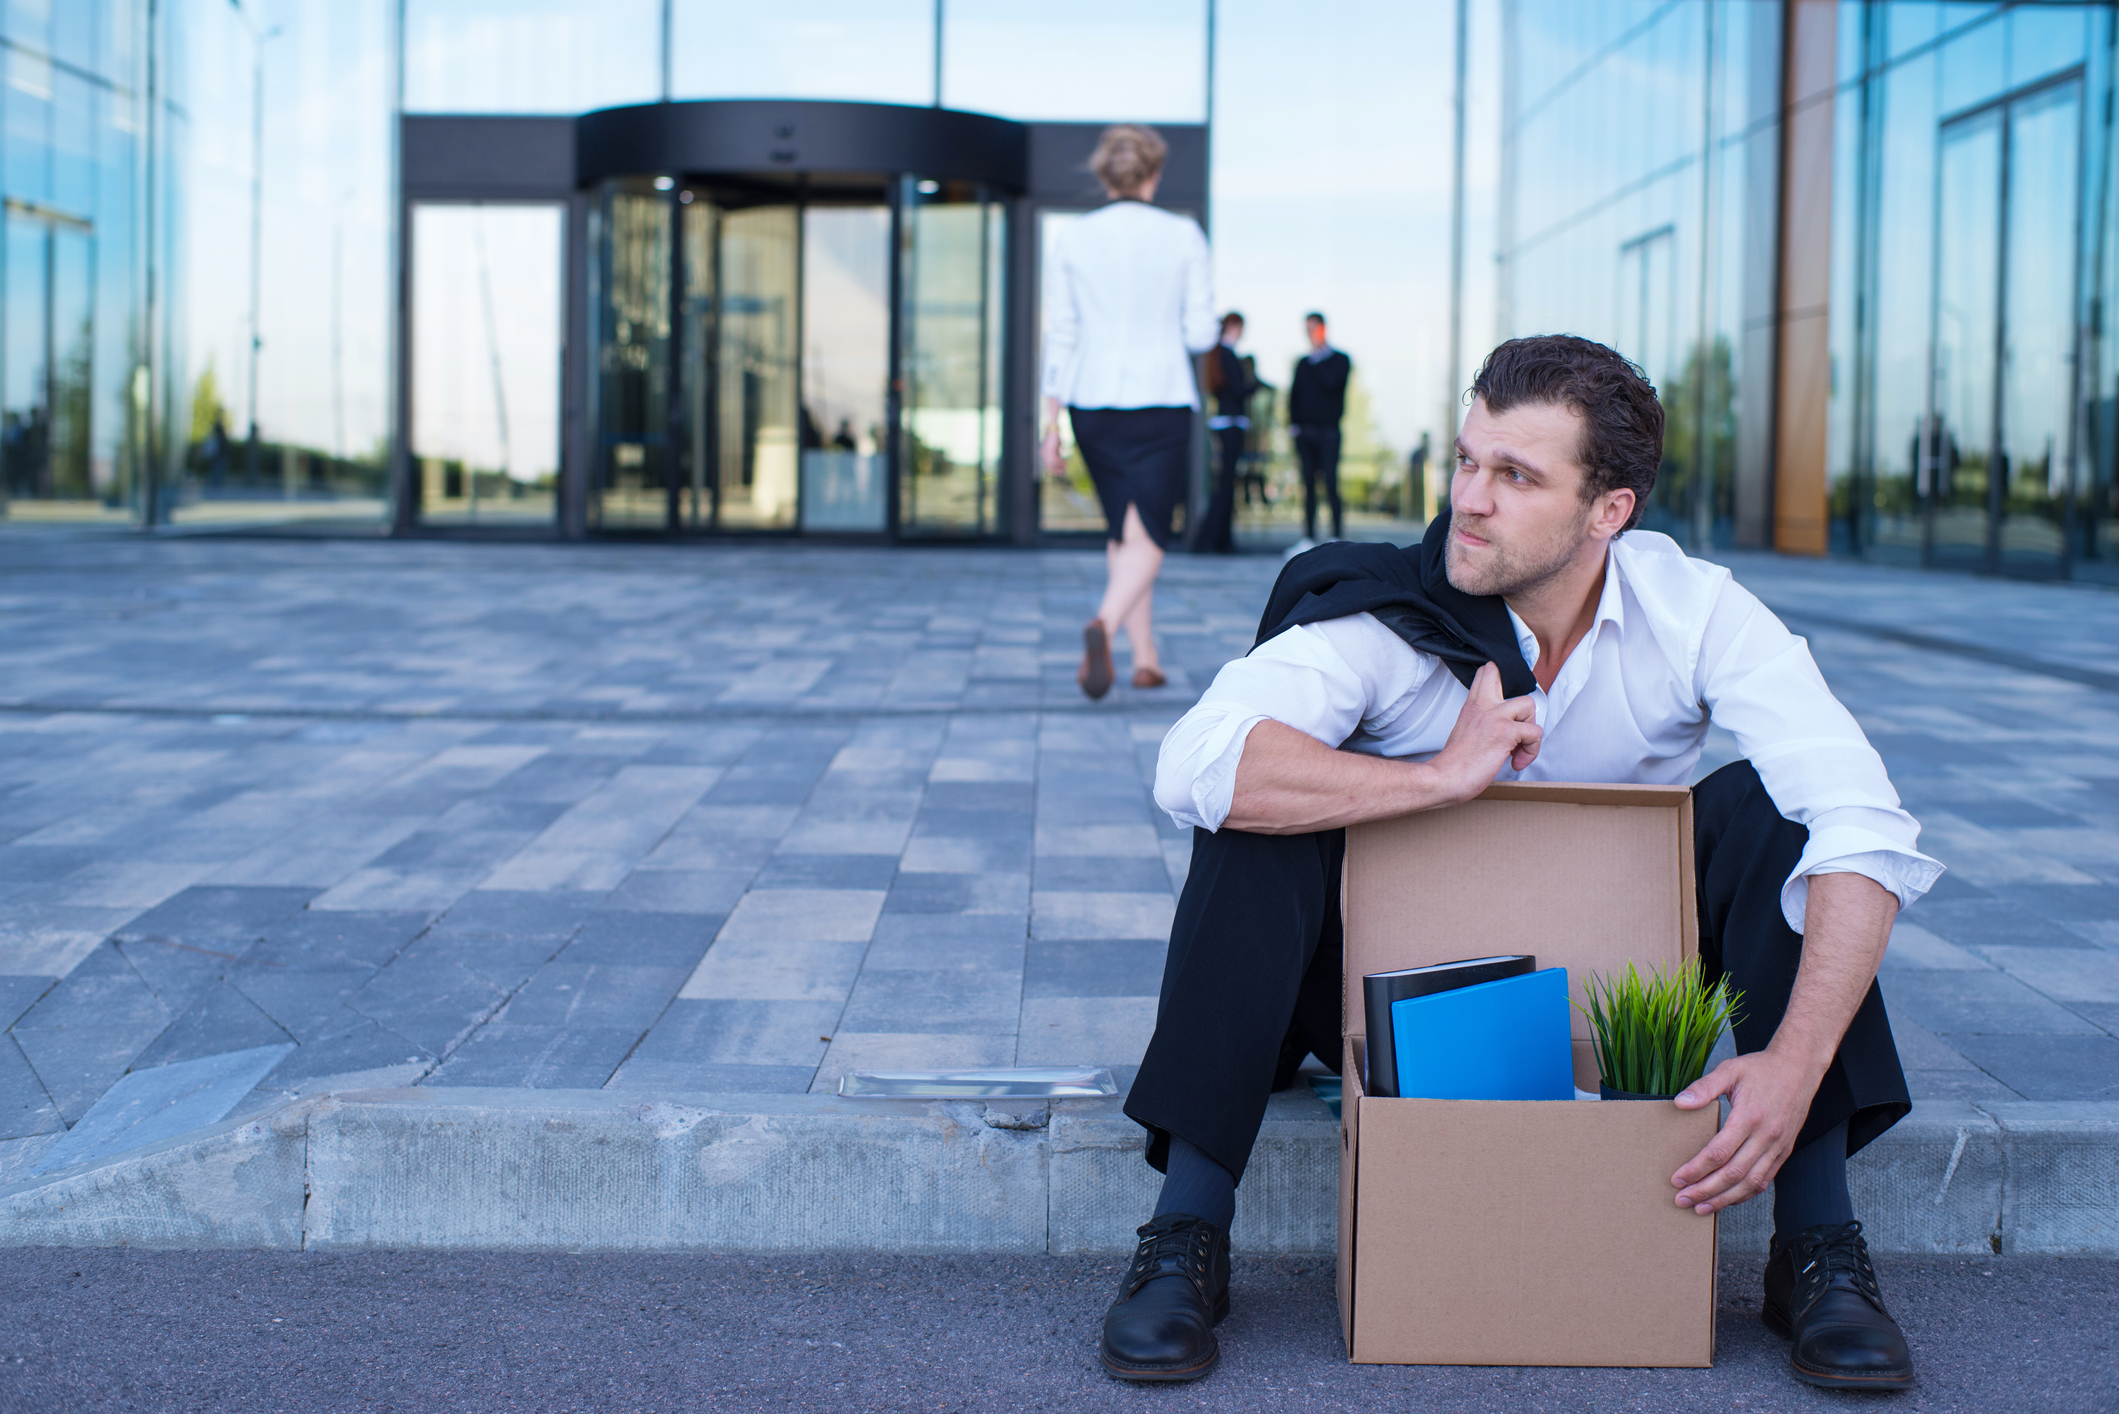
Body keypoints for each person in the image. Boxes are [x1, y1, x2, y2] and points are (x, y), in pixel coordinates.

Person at [1100, 335, 1937, 1394]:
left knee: (1773, 810)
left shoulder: (1697, 612)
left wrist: (1793, 1060)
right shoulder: (1382, 615)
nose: (1469, 500)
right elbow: (1195, 761)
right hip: (1383, 991)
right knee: (1259, 809)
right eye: (1465, 460)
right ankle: (1187, 1232)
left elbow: (1865, 825)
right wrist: (1435, 779)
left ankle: (1815, 1248)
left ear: (1609, 513)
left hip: (1607, 991)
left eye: (1515, 475)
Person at [1041, 123, 1218, 698]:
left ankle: (1146, 657)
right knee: (1149, 537)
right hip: (1161, 397)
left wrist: (1050, 422)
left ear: (1103, 175)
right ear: (1154, 173)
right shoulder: (1183, 234)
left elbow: (1060, 333)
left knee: (1124, 531)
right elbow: (1199, 333)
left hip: (1090, 403)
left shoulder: (1072, 237)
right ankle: (1105, 625)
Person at [1189, 312, 1254, 555]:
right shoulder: (1227, 354)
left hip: (1225, 423)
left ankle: (1221, 540)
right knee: (1226, 485)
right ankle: (1210, 539)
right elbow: (1237, 389)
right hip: (1231, 423)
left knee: (1225, 484)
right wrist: (1252, 384)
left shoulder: (1220, 354)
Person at [1288, 313, 1351, 543]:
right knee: (1308, 487)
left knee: (1331, 484)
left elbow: (1331, 384)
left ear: (1323, 329)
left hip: (1328, 433)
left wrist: (1319, 358)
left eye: (1314, 328)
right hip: (1305, 434)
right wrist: (1293, 426)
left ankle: (1335, 535)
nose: (1310, 334)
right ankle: (1308, 537)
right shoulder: (1303, 363)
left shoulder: (1340, 360)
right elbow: (1294, 396)